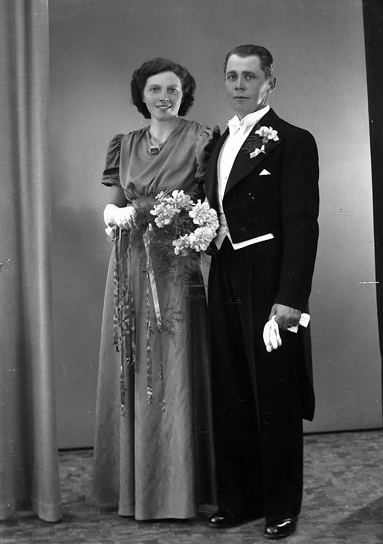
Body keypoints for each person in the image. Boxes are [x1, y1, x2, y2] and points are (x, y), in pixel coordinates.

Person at [93, 57, 219, 520]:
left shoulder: (202, 139)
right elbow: (115, 204)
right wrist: (114, 215)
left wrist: (172, 221)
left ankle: (179, 490)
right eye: (155, 90)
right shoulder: (125, 144)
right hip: (129, 263)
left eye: (173, 89)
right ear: (141, 96)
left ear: (185, 94)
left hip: (175, 264)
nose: (164, 97)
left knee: (174, 365)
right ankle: (133, 488)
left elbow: (211, 205)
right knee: (133, 361)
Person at [204, 45, 319, 539]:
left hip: (269, 278)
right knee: (230, 387)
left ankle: (280, 506)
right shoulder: (218, 142)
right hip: (224, 270)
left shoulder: (293, 140)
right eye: (232, 76)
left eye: (249, 76)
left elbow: (302, 224)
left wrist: (290, 298)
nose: (239, 85)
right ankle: (239, 499)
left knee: (274, 392)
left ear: (269, 81)